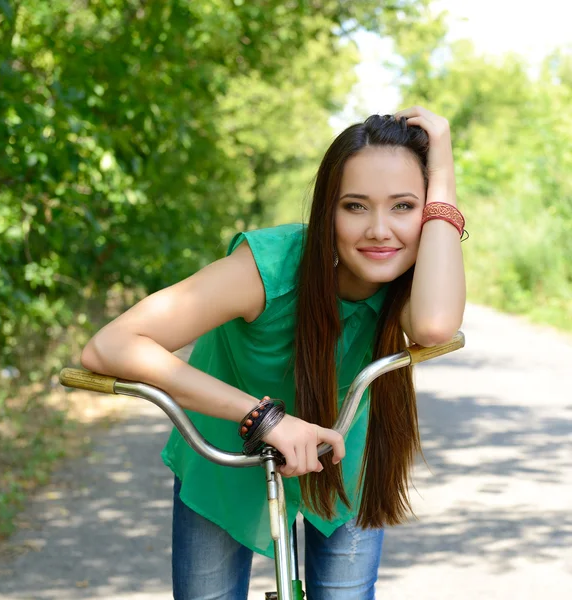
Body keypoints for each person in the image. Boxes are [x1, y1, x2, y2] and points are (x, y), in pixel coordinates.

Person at [80, 105, 466, 599]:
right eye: (355, 206)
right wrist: (265, 419)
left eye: (404, 207)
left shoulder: (409, 278)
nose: (379, 230)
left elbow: (434, 326)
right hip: (226, 453)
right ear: (327, 210)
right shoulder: (269, 268)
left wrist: (444, 172)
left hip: (338, 455)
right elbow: (110, 344)